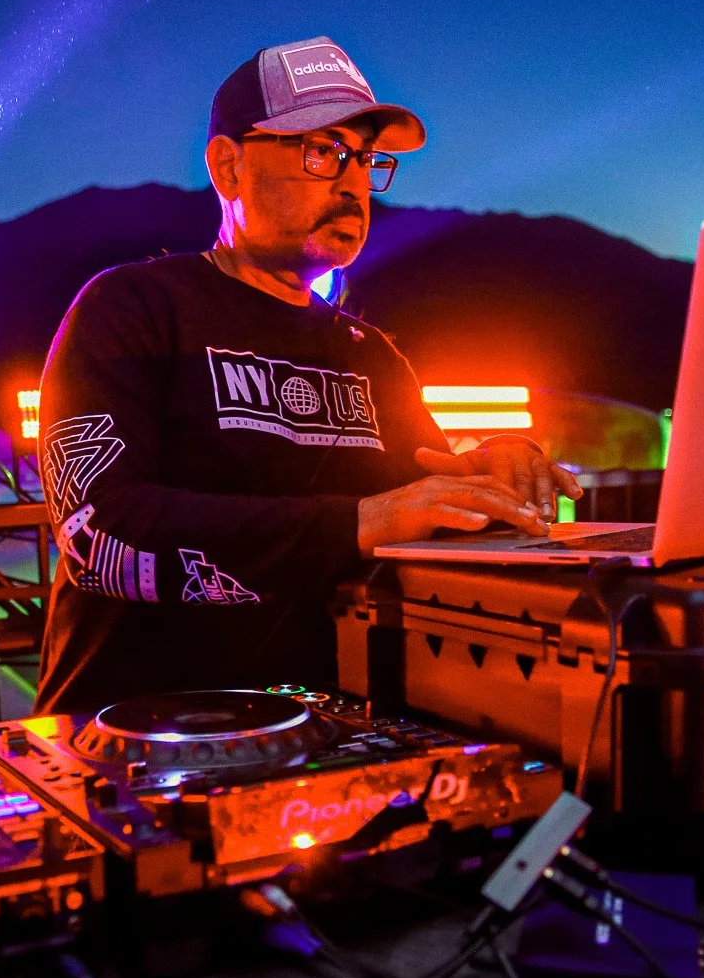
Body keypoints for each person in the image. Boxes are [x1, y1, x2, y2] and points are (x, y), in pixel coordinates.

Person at [34, 35, 581, 714]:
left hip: (334, 731)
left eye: (365, 160)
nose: (353, 183)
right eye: (320, 152)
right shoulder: (133, 309)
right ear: (228, 168)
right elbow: (98, 535)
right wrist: (357, 522)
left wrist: (493, 475)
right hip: (134, 738)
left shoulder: (370, 354)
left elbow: (421, 504)